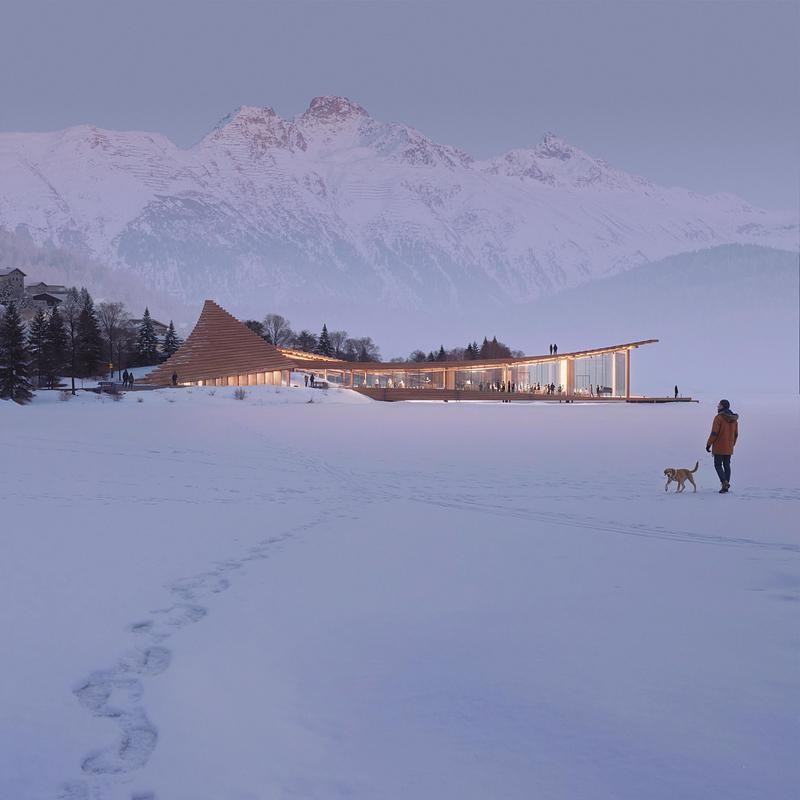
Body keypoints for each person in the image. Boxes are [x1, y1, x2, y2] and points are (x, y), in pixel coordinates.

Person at [706, 399, 739, 493]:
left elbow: (714, 433)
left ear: (722, 406)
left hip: (719, 447)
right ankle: (726, 486)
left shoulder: (719, 418)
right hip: (729, 447)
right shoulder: (734, 419)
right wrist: (732, 444)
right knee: (727, 465)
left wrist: (708, 444)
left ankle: (724, 483)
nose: (717, 407)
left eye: (719, 405)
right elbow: (736, 434)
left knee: (718, 465)